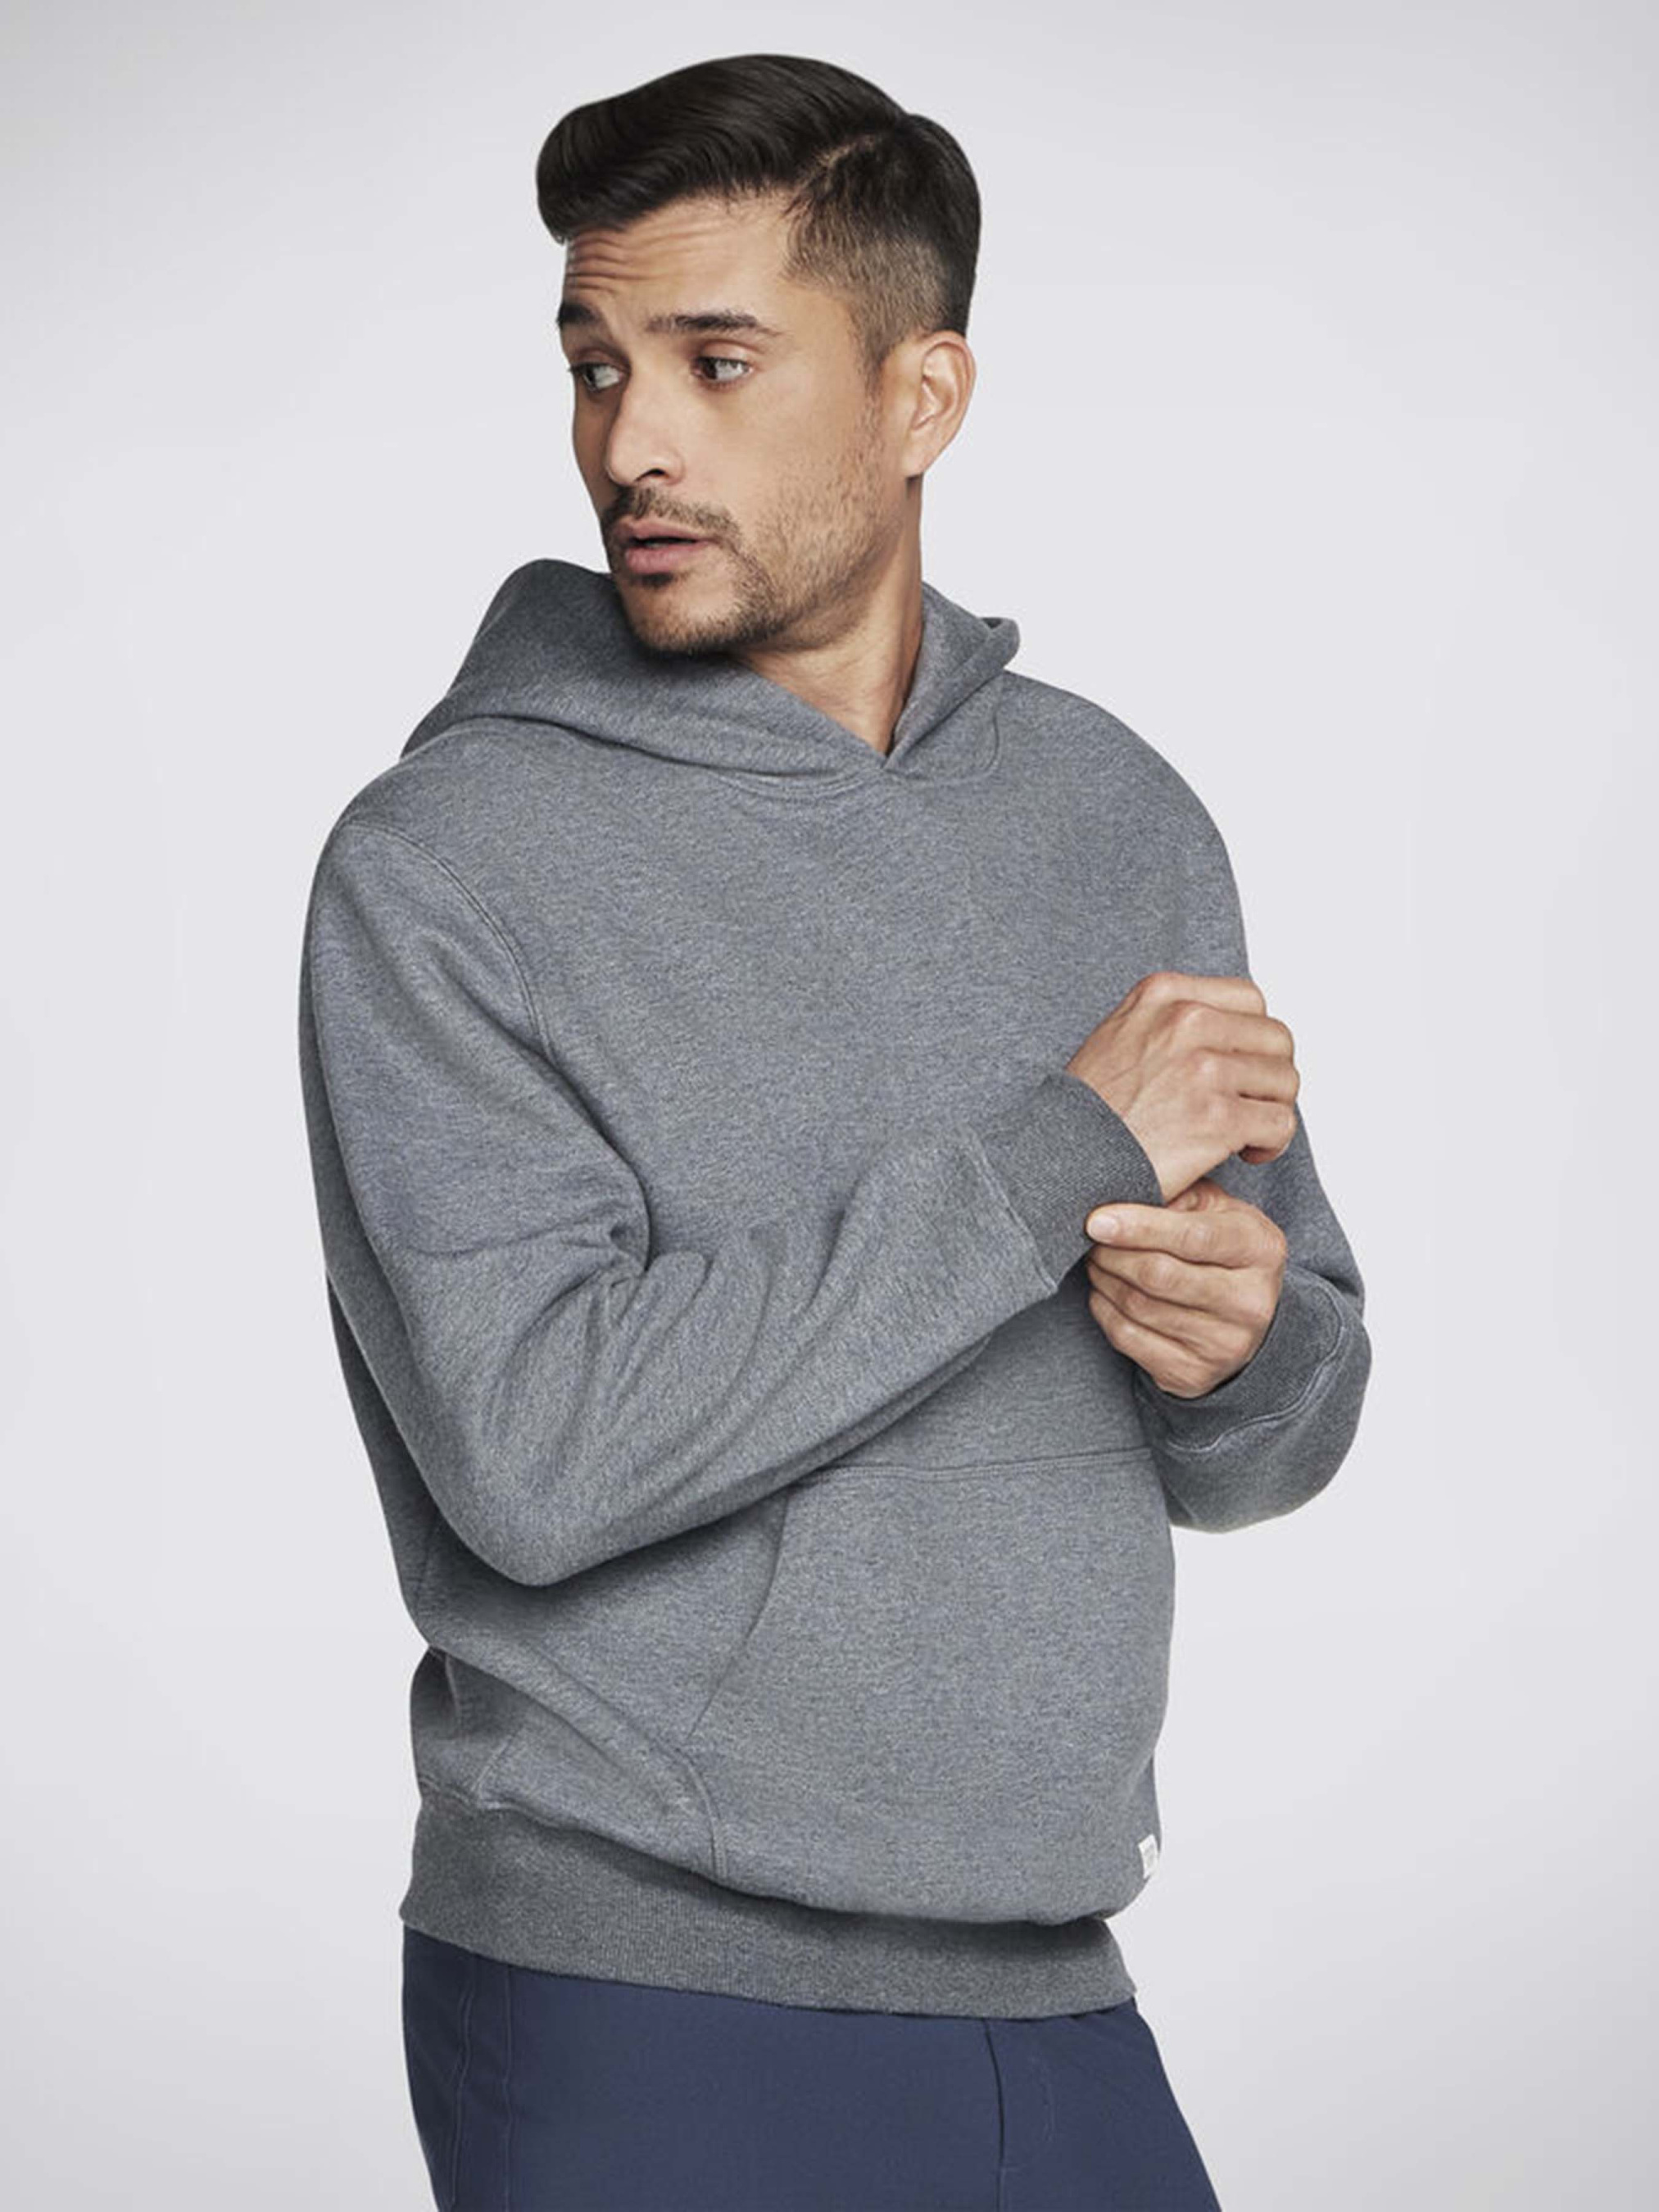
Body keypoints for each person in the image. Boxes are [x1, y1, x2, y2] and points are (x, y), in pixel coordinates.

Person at [297, 50, 1371, 2211]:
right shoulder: (448, 862)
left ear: (920, 395)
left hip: (1054, 1976)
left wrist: (1250, 1354)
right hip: (637, 1998)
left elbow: (1277, 1425)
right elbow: (530, 1451)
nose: (633, 439)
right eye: (595, 365)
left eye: (715, 363)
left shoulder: (1113, 816)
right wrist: (1051, 1157)